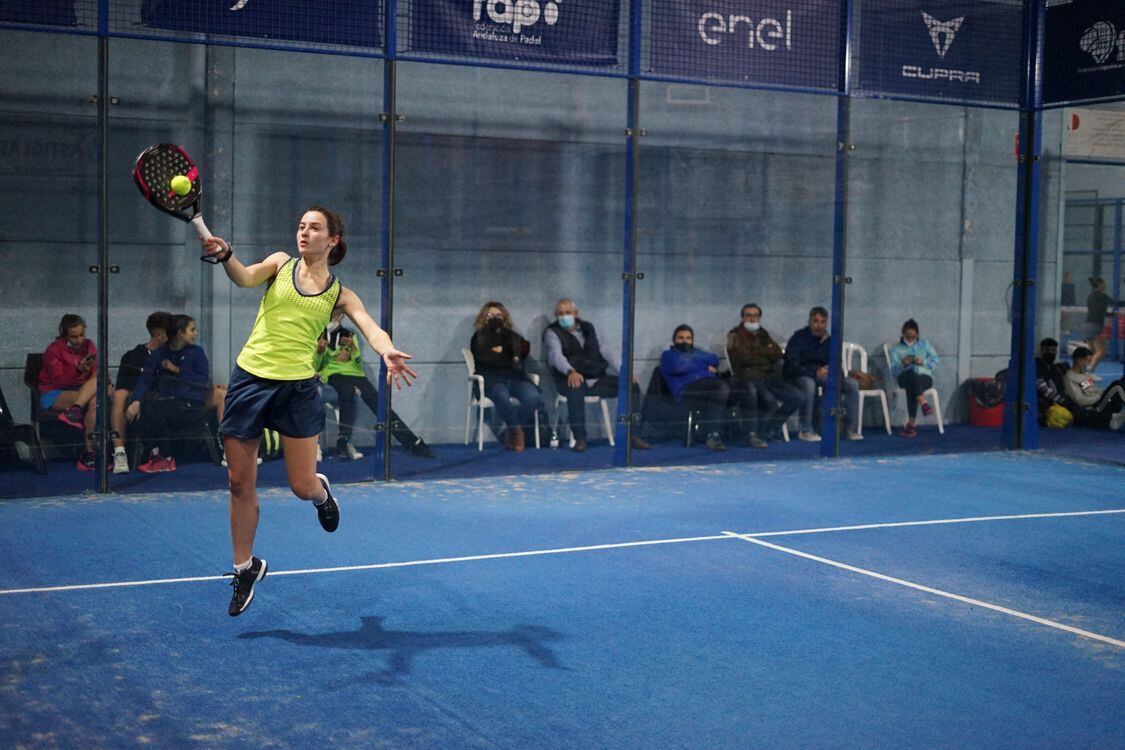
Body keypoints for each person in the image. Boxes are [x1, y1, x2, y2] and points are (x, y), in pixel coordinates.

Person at [203, 205, 415, 617]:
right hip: (250, 379)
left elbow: (371, 327)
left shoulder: (341, 295)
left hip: (297, 390)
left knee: (300, 486)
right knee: (238, 482)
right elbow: (245, 277)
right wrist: (227, 254)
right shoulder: (280, 264)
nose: (304, 232)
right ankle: (245, 567)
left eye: (314, 227)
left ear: (332, 240)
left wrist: (386, 349)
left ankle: (321, 493)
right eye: (301, 225)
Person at [316, 309, 433, 459]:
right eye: (332, 315)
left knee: (377, 401)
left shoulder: (348, 335)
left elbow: (357, 365)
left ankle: (411, 441)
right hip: (333, 375)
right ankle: (343, 441)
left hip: (355, 374)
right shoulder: (319, 335)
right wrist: (319, 351)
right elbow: (316, 366)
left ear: (342, 317)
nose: (333, 319)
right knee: (347, 392)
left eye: (337, 315)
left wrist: (353, 350)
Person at [543, 298, 649, 452]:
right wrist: (570, 371)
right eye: (560, 314)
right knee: (575, 387)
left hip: (596, 377)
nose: (564, 316)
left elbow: (607, 352)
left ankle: (632, 435)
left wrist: (625, 372)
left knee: (631, 386)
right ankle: (580, 439)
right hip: (569, 378)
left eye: (567, 313)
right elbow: (556, 356)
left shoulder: (589, 328)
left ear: (576, 313)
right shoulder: (552, 332)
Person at [125, 314, 212, 473]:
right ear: (180, 333)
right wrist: (135, 401)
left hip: (190, 404)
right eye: (192, 330)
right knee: (139, 411)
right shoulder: (160, 354)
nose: (196, 334)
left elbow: (202, 380)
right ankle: (156, 453)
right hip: (165, 402)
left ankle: (167, 457)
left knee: (153, 410)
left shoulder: (197, 353)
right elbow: (146, 378)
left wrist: (177, 370)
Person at [469, 301, 541, 451]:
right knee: (501, 395)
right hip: (491, 379)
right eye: (490, 315)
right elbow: (485, 358)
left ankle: (513, 429)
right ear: (484, 317)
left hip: (515, 377)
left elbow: (524, 349)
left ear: (504, 317)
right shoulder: (479, 337)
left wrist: (502, 350)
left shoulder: (512, 336)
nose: (495, 318)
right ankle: (517, 432)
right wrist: (508, 355)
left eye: (498, 315)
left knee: (533, 397)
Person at [726, 303, 803, 446]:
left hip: (769, 377)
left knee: (797, 397)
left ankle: (771, 428)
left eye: (755, 315)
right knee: (770, 402)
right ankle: (755, 434)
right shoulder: (734, 335)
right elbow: (742, 358)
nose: (752, 318)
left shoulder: (763, 334)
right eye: (748, 315)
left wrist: (758, 353)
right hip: (748, 378)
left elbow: (777, 353)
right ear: (742, 318)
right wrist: (763, 353)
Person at [783, 306, 861, 442]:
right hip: (800, 376)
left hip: (824, 377)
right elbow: (792, 366)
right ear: (809, 321)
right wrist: (815, 373)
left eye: (823, 322)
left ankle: (850, 429)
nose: (819, 325)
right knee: (809, 383)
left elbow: (838, 364)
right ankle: (806, 429)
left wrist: (834, 373)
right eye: (816, 321)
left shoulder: (830, 341)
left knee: (851, 384)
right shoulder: (798, 338)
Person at [38, 314, 104, 470]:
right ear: (65, 334)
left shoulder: (89, 345)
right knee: (94, 398)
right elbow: (59, 382)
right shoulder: (54, 350)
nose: (79, 340)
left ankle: (90, 453)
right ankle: (89, 453)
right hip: (55, 393)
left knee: (97, 394)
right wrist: (78, 370)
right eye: (74, 337)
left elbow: (96, 371)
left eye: (81, 335)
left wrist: (94, 375)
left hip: (83, 390)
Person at [109, 311, 173, 474]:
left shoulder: (176, 355)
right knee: (120, 395)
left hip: (165, 400)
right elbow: (123, 387)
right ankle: (120, 453)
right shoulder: (132, 357)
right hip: (136, 400)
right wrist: (137, 400)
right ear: (159, 334)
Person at [658, 325, 730, 450]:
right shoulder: (668, 355)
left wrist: (691, 362)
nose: (685, 341)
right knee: (719, 388)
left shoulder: (697, 352)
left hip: (706, 387)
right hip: (685, 392)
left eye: (688, 338)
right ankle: (713, 435)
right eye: (681, 338)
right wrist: (704, 367)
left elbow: (713, 359)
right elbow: (678, 367)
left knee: (729, 386)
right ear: (674, 340)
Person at [887, 319, 940, 438]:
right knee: (911, 373)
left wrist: (922, 361)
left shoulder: (925, 344)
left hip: (924, 378)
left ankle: (911, 425)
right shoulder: (896, 349)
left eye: (913, 337)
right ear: (903, 334)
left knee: (914, 383)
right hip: (904, 377)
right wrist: (903, 364)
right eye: (908, 337)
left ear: (917, 335)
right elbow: (894, 371)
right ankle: (923, 403)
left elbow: (936, 360)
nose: (910, 339)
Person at [1064, 346, 1125, 429]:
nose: (1089, 364)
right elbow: (1080, 400)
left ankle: (1116, 417)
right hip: (1093, 408)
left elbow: (1093, 390)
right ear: (1079, 360)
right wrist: (1099, 396)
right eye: (1088, 361)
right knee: (1117, 386)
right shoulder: (1070, 377)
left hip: (1098, 401)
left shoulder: (1084, 375)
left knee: (1122, 382)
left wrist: (1103, 392)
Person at [1034, 337, 1071, 420]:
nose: (1050, 353)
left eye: (1053, 350)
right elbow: (1042, 388)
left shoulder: (1056, 368)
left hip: (1059, 398)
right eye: (1047, 350)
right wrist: (1062, 400)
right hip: (1048, 400)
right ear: (1041, 351)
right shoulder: (1037, 366)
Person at [1084, 276, 1112, 347]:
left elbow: (1095, 310)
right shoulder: (1103, 296)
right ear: (1100, 284)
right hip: (1096, 325)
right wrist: (1113, 314)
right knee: (1100, 351)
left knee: (1092, 352)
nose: (1105, 285)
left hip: (1087, 325)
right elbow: (1115, 303)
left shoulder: (1090, 296)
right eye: (1104, 283)